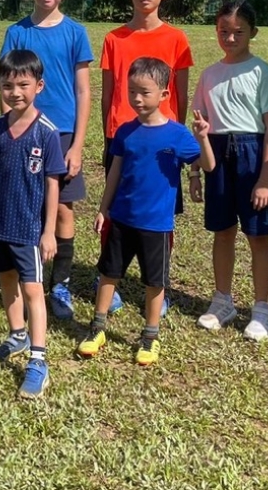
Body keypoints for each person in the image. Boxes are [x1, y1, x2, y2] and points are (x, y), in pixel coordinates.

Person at [81, 59, 215, 366]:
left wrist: (203, 137)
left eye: (144, 92)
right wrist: (104, 209)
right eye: (131, 91)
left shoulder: (178, 135)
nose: (137, 99)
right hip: (121, 219)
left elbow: (208, 165)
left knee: (155, 282)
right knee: (108, 273)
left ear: (165, 95)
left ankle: (150, 335)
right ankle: (97, 328)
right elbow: (114, 173)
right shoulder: (125, 132)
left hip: (156, 224)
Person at [0, 0, 92, 321]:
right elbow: (6, 84)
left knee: (63, 210)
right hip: (24, 132)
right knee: (26, 204)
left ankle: (61, 283)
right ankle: (26, 275)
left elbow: (84, 90)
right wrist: (10, 132)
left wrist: (79, 145)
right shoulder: (16, 32)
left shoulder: (76, 33)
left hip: (63, 134)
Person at [98, 0, 194, 316]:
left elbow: (181, 95)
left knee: (161, 216)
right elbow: (109, 93)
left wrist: (177, 136)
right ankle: (110, 278)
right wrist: (109, 133)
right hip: (123, 137)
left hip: (163, 142)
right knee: (115, 214)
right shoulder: (114, 38)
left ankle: (158, 283)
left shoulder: (176, 39)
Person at [190, 0, 268, 341]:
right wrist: (196, 173)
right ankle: (222, 300)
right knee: (223, 230)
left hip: (251, 153)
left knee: (257, 234)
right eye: (223, 32)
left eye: (238, 32)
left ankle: (261, 308)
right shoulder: (209, 75)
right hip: (217, 154)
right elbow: (200, 129)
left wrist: (264, 178)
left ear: (253, 33)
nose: (230, 38)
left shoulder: (263, 73)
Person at [0, 50, 66, 399]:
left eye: (23, 85)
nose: (15, 92)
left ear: (39, 86)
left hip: (29, 228)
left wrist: (48, 231)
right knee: (6, 281)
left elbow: (53, 184)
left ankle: (38, 359)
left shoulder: (46, 133)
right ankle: (17, 334)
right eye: (7, 85)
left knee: (33, 291)